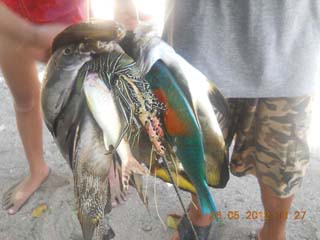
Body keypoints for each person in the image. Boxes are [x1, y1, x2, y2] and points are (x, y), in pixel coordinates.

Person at [163, 1, 319, 240]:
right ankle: (200, 214)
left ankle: (273, 232)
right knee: (197, 150)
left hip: (291, 41)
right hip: (200, 37)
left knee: (283, 164)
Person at [0, 0, 86, 215]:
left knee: (85, 101)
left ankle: (104, 173)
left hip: (68, 13)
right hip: (10, 15)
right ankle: (38, 170)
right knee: (25, 101)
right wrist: (29, 34)